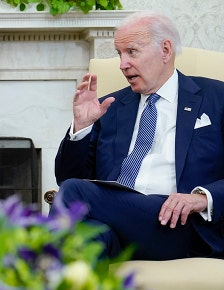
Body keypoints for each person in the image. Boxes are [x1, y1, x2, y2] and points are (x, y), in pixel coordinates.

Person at [52, 11, 224, 261]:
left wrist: (201, 198)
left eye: (131, 52)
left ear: (165, 50)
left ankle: (29, 287)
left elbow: (74, 191)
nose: (122, 64)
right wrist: (81, 127)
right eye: (119, 53)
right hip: (116, 225)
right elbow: (69, 179)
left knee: (74, 193)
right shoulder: (109, 107)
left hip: (180, 226)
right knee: (85, 239)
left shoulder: (216, 97)